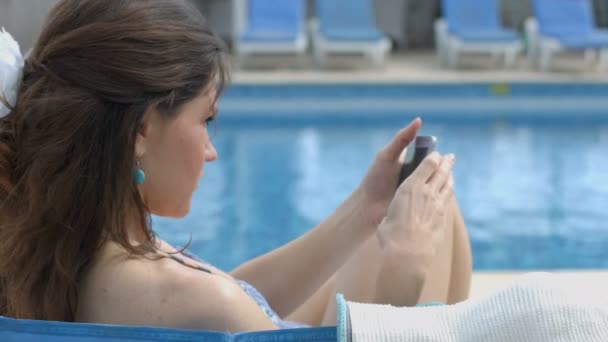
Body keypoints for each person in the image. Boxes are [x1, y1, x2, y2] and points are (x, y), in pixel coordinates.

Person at [0, 0, 472, 332]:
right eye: (205, 119)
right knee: (434, 222)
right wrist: (401, 277)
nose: (211, 151)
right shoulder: (183, 296)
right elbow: (220, 302)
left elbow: (233, 294)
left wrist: (364, 208)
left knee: (418, 208)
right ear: (142, 130)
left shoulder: (76, 244)